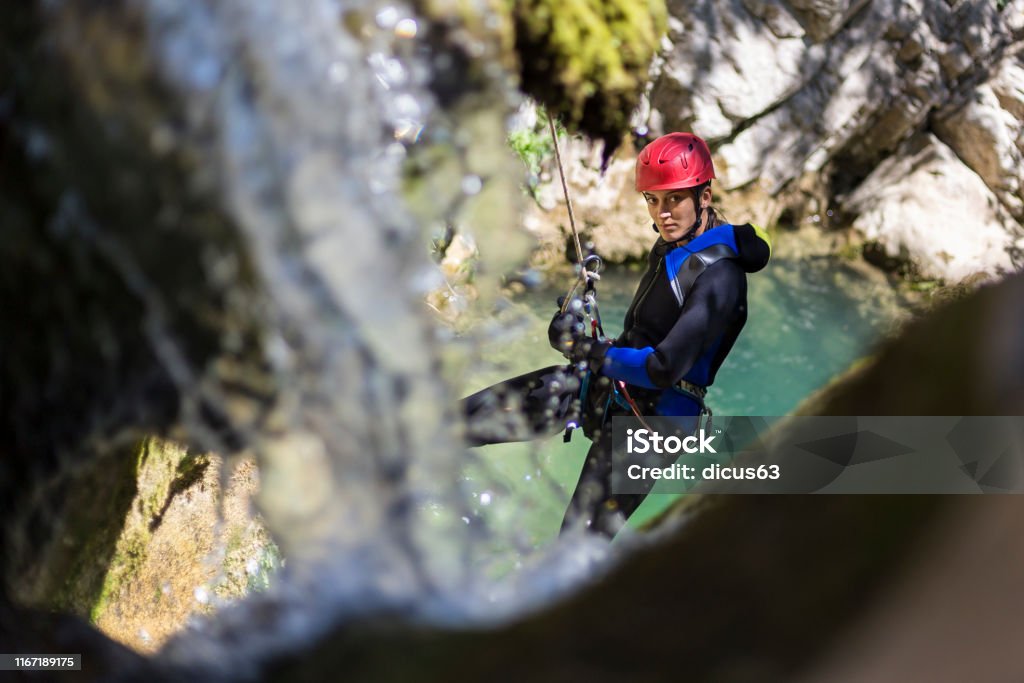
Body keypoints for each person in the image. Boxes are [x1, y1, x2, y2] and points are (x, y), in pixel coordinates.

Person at [463, 132, 771, 537]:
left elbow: (664, 367)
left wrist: (585, 349)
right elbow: (644, 338)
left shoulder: (721, 277)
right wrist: (583, 334)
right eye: (653, 200)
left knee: (575, 546)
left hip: (657, 424)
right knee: (465, 420)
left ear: (705, 196)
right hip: (615, 384)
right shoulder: (672, 247)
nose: (662, 213)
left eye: (674, 198)